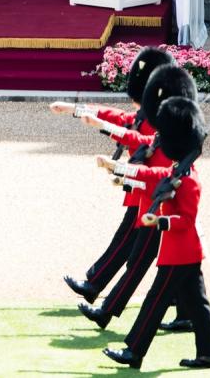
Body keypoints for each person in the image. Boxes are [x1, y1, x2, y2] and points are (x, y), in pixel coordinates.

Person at [101, 97, 210, 370]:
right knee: (197, 304)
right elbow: (154, 174)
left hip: (180, 252)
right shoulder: (177, 171)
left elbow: (187, 220)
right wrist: (119, 168)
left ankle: (133, 350)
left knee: (154, 301)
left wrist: (160, 220)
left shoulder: (190, 181)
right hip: (183, 253)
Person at [53, 48, 176, 305]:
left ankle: (96, 285)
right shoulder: (147, 114)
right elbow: (118, 117)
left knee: (133, 248)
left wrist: (119, 166)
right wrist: (74, 109)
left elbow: (134, 136)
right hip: (143, 187)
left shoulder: (159, 119)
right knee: (170, 257)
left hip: (152, 191)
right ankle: (184, 307)